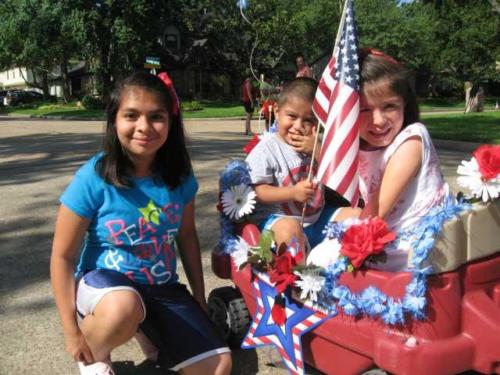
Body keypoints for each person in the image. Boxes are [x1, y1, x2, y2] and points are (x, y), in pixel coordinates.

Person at [50, 71, 231, 375]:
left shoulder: (180, 178)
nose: (144, 127)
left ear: (170, 122)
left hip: (160, 286)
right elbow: (62, 255)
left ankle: (145, 330)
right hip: (106, 287)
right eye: (131, 115)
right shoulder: (94, 176)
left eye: (156, 116)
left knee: (218, 367)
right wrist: (71, 331)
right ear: (114, 120)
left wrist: (199, 298)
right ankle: (95, 354)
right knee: (124, 308)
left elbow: (186, 237)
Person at [309, 49, 454, 272]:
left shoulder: (412, 139)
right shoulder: (360, 148)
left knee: (320, 260)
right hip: (388, 231)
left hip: (419, 244)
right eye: (364, 110)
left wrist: (345, 242)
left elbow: (378, 211)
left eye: (389, 106)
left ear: (405, 103)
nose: (378, 121)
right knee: (323, 243)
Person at [245, 77, 350, 256]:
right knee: (290, 229)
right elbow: (256, 191)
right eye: (292, 116)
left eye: (308, 120)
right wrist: (292, 193)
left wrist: (316, 150)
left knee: (355, 216)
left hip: (317, 220)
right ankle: (299, 280)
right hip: (278, 222)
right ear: (277, 112)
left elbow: (337, 176)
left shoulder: (319, 144)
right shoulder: (266, 149)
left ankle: (337, 272)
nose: (298, 126)